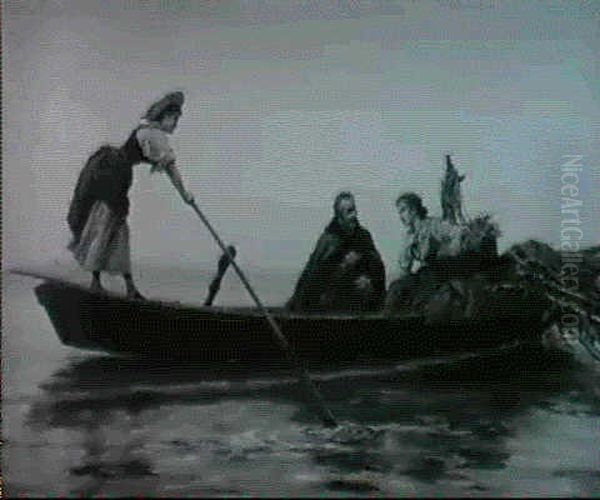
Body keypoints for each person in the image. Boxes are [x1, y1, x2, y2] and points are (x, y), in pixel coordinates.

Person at [67, 91, 194, 299]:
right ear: (164, 116)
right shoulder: (154, 135)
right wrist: (185, 196)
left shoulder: (148, 130)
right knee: (108, 224)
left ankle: (122, 285)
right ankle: (106, 283)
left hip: (115, 172)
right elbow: (172, 171)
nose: (176, 124)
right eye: (174, 119)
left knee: (113, 227)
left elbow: (163, 163)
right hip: (113, 174)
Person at [286, 191, 386, 313]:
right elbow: (316, 278)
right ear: (339, 216)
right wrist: (344, 266)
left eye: (354, 210)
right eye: (349, 211)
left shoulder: (363, 236)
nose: (354, 215)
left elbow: (377, 266)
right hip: (332, 300)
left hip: (360, 299)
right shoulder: (329, 240)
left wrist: (369, 279)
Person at [384, 192, 464, 313]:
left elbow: (458, 231)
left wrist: (451, 250)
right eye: (399, 212)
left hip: (439, 272)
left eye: (403, 210)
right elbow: (404, 267)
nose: (401, 216)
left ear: (414, 210)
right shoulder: (409, 236)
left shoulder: (432, 224)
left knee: (420, 300)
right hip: (423, 274)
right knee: (396, 289)